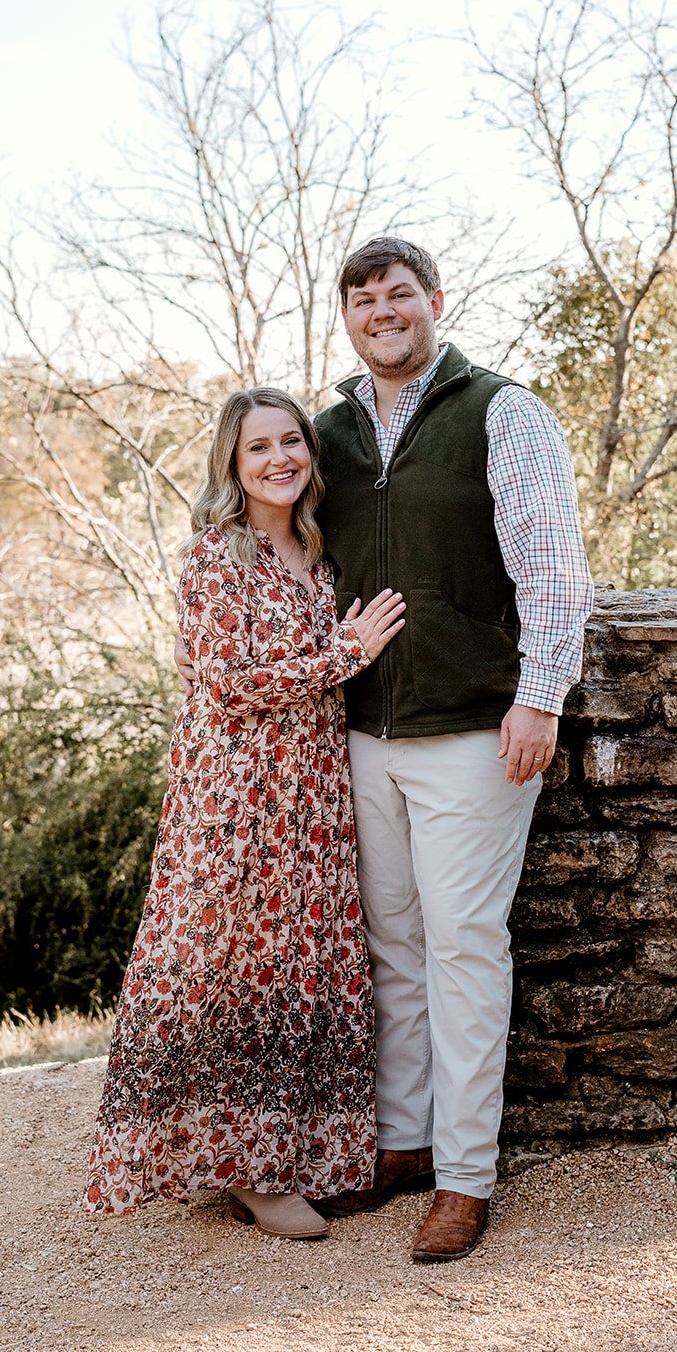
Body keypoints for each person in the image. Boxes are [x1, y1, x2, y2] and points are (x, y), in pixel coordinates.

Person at [306, 236, 595, 1261]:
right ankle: (405, 1140)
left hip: (476, 729)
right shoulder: (326, 431)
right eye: (361, 299)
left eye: (398, 295)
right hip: (362, 732)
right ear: (345, 317)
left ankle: (465, 1176)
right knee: (391, 943)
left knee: (464, 946)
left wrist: (540, 696)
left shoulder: (501, 412)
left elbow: (550, 564)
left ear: (433, 300)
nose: (381, 311)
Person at [83, 386, 405, 1240]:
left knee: (303, 968)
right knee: (230, 966)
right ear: (232, 461)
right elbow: (226, 686)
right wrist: (345, 653)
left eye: (291, 442)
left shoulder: (319, 556)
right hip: (235, 800)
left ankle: (299, 1150)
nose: (279, 459)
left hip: (313, 794)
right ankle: (243, 1166)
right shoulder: (214, 559)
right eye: (258, 447)